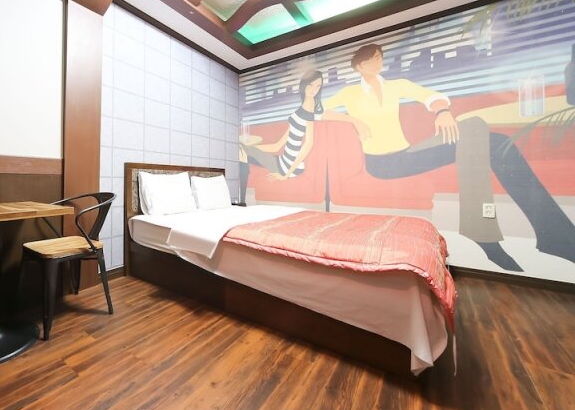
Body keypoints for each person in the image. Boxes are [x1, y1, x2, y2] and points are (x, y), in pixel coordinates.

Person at [321, 43, 575, 271]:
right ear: (359, 66)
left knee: (490, 138)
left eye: (379, 57)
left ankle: (547, 234)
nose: (377, 62)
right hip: (383, 164)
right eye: (370, 60)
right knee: (485, 141)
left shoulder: (396, 85)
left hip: (407, 154)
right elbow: (313, 111)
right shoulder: (349, 94)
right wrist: (352, 119)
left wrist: (441, 111)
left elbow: (431, 96)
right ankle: (546, 235)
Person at [239, 70, 327, 202]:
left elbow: (309, 143)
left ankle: (241, 201)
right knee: (244, 151)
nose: (313, 89)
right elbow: (277, 146)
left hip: (288, 166)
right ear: (304, 85)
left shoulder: (310, 104)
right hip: (284, 161)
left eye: (318, 86)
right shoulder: (303, 108)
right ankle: (242, 198)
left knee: (242, 153)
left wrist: (286, 174)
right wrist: (250, 148)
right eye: (310, 85)